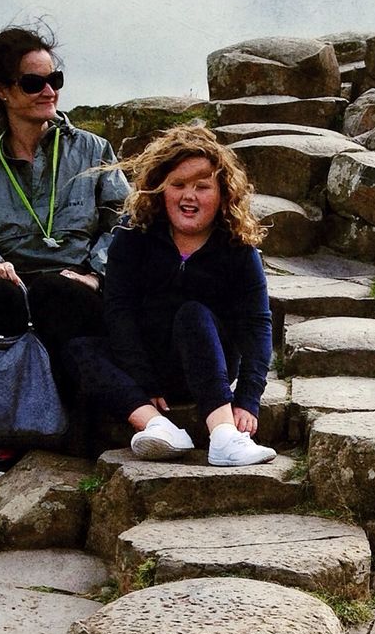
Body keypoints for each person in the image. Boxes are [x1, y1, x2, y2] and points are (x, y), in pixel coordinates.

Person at [0, 22, 129, 478]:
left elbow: (127, 221)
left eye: (55, 80)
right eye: (34, 82)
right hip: (16, 285)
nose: (49, 91)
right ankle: (60, 428)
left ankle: (30, 434)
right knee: (8, 297)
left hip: (80, 284)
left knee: (56, 298)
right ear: (1, 90)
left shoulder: (92, 149)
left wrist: (96, 273)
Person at [81, 124, 277, 467]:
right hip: (146, 368)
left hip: (206, 364)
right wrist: (142, 379)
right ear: (160, 190)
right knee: (77, 348)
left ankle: (223, 436)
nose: (190, 196)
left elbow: (257, 325)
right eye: (178, 185)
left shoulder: (238, 249)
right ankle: (157, 427)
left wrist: (247, 398)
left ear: (222, 195)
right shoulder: (133, 236)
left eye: (202, 187)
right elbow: (119, 309)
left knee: (192, 314)